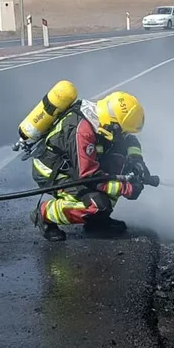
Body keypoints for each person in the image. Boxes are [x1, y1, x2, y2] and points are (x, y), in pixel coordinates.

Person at [29, 91, 150, 241]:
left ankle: (97, 221)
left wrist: (136, 160)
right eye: (122, 130)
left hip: (79, 166)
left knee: (118, 164)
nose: (124, 134)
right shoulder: (83, 133)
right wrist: (127, 188)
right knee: (98, 204)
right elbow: (91, 178)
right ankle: (45, 213)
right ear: (114, 125)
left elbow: (129, 140)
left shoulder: (103, 118)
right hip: (55, 172)